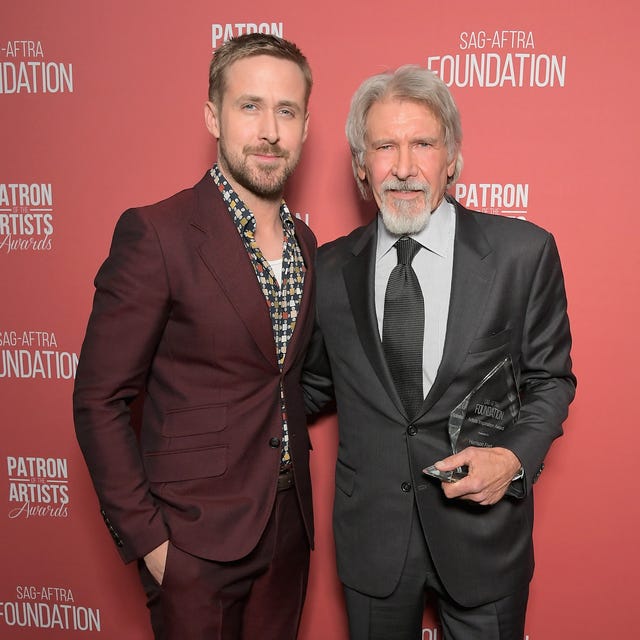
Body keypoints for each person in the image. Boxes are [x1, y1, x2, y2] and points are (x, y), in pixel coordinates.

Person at [302, 65, 576, 640]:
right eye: (384, 146)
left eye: (423, 143)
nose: (403, 167)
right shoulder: (326, 270)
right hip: (373, 540)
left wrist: (514, 460)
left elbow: (551, 380)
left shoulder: (522, 254)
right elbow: (314, 384)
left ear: (451, 158)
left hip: (484, 539)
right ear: (360, 166)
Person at [73, 33, 316, 640]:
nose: (269, 131)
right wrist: (152, 543)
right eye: (249, 106)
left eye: (286, 111)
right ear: (213, 115)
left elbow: (284, 378)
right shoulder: (156, 234)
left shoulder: (307, 247)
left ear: (306, 127)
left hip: (288, 529)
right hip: (192, 541)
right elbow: (98, 399)